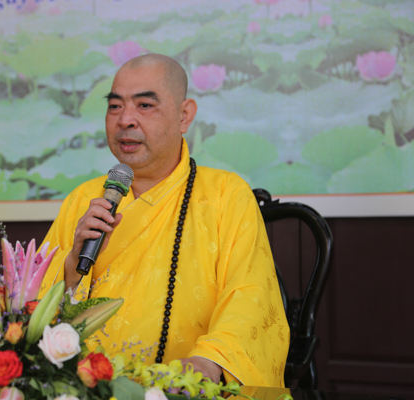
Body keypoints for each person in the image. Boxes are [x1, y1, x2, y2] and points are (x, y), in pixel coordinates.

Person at [38, 54, 289, 387]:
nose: (125, 120)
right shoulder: (82, 199)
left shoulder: (226, 195)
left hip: (182, 390)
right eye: (114, 106)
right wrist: (72, 266)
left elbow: (250, 299)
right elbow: (32, 309)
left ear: (184, 115)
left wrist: (210, 362)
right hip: (84, 388)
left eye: (144, 105)